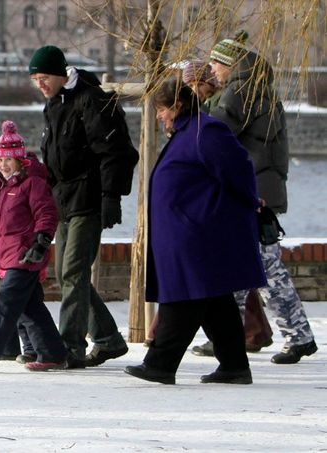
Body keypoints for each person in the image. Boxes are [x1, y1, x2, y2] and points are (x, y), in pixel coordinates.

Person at [124, 79, 267, 385]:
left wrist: (251, 202)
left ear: (176, 106)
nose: (160, 116)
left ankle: (160, 363)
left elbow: (238, 169)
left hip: (199, 232)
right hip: (190, 230)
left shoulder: (206, 131)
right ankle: (234, 365)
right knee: (214, 298)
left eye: (161, 110)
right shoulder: (188, 132)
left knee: (184, 295)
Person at [206, 30, 318, 364]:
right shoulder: (260, 89)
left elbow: (216, 130)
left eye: (215, 64)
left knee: (264, 269)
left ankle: (298, 337)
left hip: (250, 194)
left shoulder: (239, 90)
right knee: (240, 268)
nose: (212, 71)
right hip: (259, 191)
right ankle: (228, 336)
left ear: (229, 63)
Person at [28, 45, 138, 368]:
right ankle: (108, 339)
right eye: (35, 79)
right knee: (66, 275)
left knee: (74, 271)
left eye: (44, 77)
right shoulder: (53, 105)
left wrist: (111, 197)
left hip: (89, 199)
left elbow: (115, 152)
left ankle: (70, 347)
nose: (40, 84)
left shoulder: (91, 100)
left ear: (62, 74)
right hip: (62, 200)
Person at [0, 120, 68, 372]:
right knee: (30, 309)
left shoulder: (33, 183)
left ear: (21, 161)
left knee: (4, 305)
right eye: (0, 161)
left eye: (9, 160)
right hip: (6, 257)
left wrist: (41, 241)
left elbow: (47, 214)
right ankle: (54, 353)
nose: (4, 165)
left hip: (26, 255)